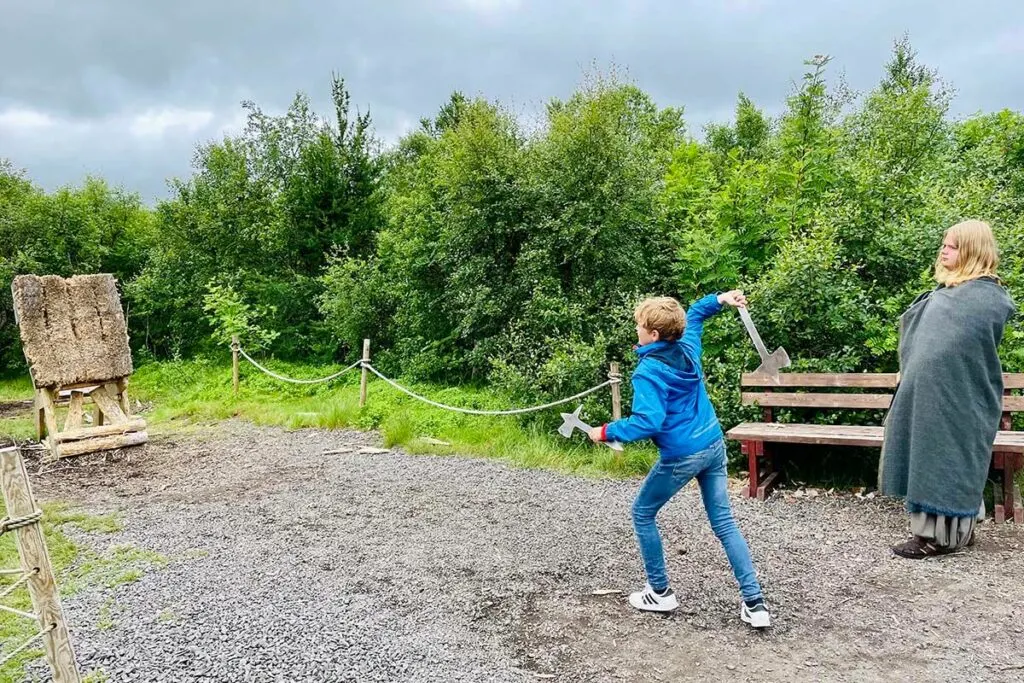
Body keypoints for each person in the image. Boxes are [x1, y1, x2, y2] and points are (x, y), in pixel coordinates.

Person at [589, 291, 770, 628]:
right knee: (724, 523)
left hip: (682, 454)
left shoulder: (648, 372)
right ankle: (755, 604)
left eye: (640, 326)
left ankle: (659, 592)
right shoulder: (686, 347)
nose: (637, 331)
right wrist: (720, 299)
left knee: (642, 513)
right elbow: (697, 316)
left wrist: (605, 431)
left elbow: (647, 421)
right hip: (713, 443)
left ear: (654, 334)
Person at [880, 219, 1017, 558]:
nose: (943, 250)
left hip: (960, 399)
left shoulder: (986, 299)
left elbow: (965, 352)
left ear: (972, 251)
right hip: (930, 398)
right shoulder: (947, 294)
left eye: (953, 245)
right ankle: (947, 532)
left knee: (950, 461)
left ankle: (939, 537)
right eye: (944, 243)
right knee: (929, 458)